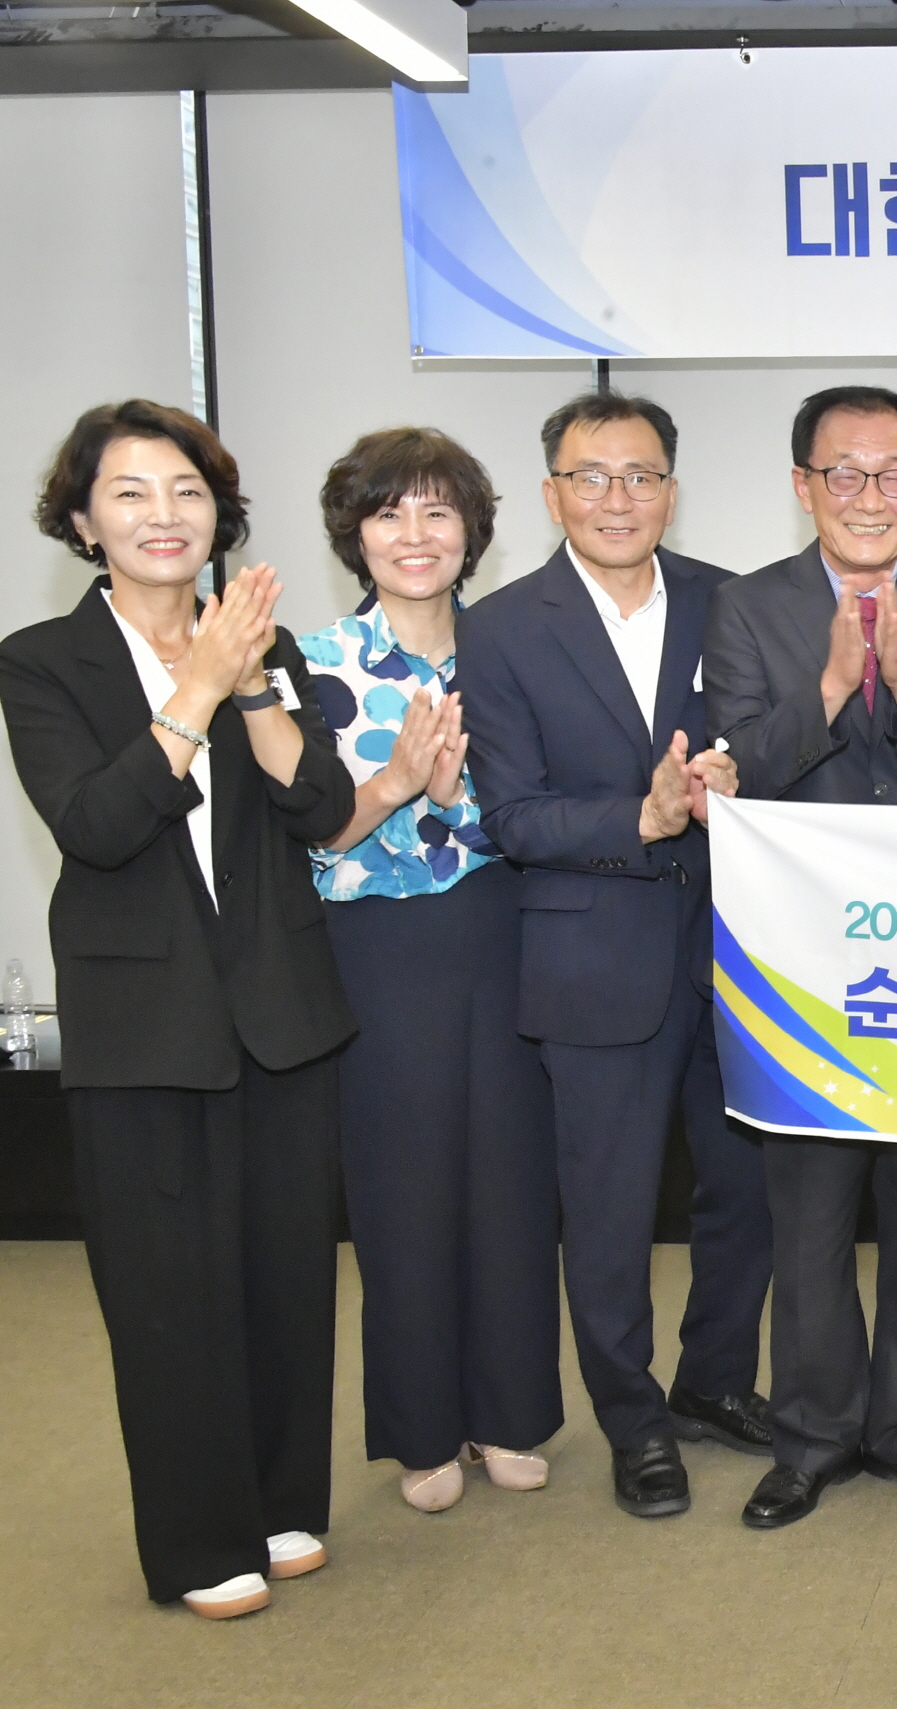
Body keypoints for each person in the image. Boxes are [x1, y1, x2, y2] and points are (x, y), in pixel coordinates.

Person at [0, 401, 354, 1616]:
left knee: (286, 1273)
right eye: (132, 492)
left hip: (280, 1010)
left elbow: (319, 807)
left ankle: (281, 1499)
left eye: (188, 491)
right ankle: (202, 1540)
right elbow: (96, 826)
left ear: (219, 513)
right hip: (142, 1024)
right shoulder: (40, 661)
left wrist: (249, 685)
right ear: (82, 521)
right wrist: (193, 689)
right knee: (166, 1294)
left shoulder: (266, 640)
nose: (165, 514)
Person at [457, 390, 773, 1521]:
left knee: (748, 1191)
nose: (616, 498)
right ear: (551, 495)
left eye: (640, 475)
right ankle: (634, 1421)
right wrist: (640, 817)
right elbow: (513, 815)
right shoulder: (500, 628)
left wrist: (740, 776)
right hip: (593, 960)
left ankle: (715, 1382)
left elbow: (770, 747)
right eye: (590, 477)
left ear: (671, 491)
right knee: (608, 1211)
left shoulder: (731, 601)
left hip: (736, 953)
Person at [703, 385, 897, 1529]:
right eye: (844, 473)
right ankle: (814, 1433)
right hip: (799, 964)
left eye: (895, 475)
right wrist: (830, 687)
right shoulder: (746, 608)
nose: (870, 497)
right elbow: (737, 773)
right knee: (811, 1213)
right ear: (802, 485)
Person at [298, 428, 562, 1515]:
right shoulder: (306, 663)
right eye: (388, 512)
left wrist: (463, 801)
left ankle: (510, 1411)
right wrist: (401, 786)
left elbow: (545, 807)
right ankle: (420, 1427)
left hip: (503, 929)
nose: (415, 534)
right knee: (402, 1186)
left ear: (472, 531)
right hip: (377, 943)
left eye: (438, 511)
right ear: (355, 534)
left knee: (511, 1177)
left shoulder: (513, 649)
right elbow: (304, 833)